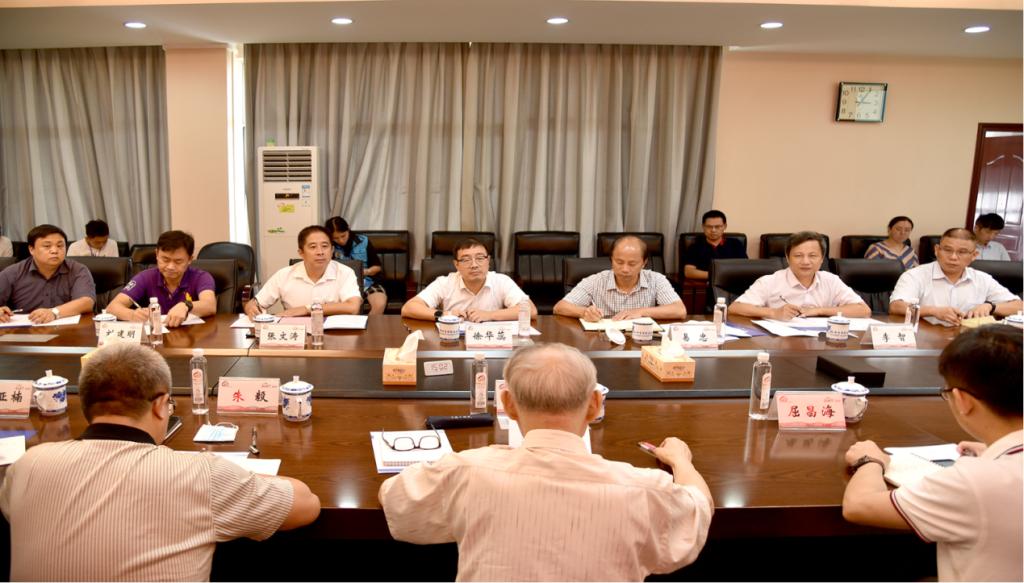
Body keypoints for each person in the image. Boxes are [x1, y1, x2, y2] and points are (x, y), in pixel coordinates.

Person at [379, 343, 713, 581]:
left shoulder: (466, 471)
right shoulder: (643, 489)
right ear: (595, 405)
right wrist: (681, 461)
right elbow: (698, 510)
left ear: (507, 404)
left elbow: (394, 499)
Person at [0, 342, 321, 581]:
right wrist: (237, 478)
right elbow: (307, 505)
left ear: (85, 405)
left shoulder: (27, 465)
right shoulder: (199, 474)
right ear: (160, 405)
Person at [841, 326, 1022, 582]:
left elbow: (859, 506)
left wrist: (869, 461)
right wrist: (995, 452)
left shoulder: (975, 482)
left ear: (963, 401)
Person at [889, 228, 1020, 325]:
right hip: (925, 339)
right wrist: (933, 311)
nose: (953, 257)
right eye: (947, 250)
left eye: (962, 252)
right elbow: (896, 306)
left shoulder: (982, 279)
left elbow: (1019, 306)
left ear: (974, 255)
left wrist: (991, 307)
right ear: (937, 250)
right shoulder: (915, 275)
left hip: (968, 342)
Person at [729, 231, 870, 320]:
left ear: (822, 259)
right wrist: (774, 313)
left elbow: (864, 310)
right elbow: (734, 308)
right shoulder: (770, 281)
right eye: (798, 256)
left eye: (812, 256)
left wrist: (818, 311)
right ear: (787, 258)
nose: (805, 262)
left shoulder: (831, 280)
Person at [402, 238, 537, 323]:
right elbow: (409, 308)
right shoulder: (444, 283)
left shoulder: (502, 281)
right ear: (456, 264)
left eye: (480, 258)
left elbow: (530, 310)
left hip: (491, 343)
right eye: (466, 260)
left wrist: (490, 315)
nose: (474, 265)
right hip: (454, 343)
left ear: (488, 261)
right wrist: (445, 314)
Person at [554, 235, 686, 321]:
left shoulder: (656, 279)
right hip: (603, 340)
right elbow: (559, 307)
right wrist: (585, 312)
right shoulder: (595, 281)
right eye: (619, 262)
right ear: (611, 259)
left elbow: (679, 310)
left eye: (632, 264)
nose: (625, 269)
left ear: (644, 263)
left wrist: (641, 312)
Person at [106, 230, 218, 327]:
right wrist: (133, 315)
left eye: (178, 261)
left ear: (190, 259)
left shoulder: (201, 277)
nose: (170, 267)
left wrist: (186, 306)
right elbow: (112, 307)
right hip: (157, 338)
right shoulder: (145, 277)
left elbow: (210, 305)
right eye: (165, 259)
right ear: (156, 254)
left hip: (191, 338)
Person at [244, 225, 362, 318]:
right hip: (296, 333)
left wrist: (306, 309)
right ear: (301, 253)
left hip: (335, 334)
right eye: (313, 247)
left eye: (325, 246)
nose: (320, 252)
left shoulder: (345, 272)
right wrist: (251, 308)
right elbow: (255, 303)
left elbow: (353, 307)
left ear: (332, 250)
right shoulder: (284, 275)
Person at [0, 224, 95, 324]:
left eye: (60, 246)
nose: (55, 251)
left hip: (68, 329)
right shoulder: (12, 273)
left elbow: (86, 301)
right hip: (24, 329)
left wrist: (54, 312)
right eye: (47, 246)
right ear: (31, 249)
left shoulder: (78, 270)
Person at [325, 216, 387, 315]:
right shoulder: (327, 245)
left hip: (367, 282)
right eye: (335, 238)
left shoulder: (363, 241)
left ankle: (369, 325)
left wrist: (366, 272)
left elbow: (377, 267)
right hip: (340, 284)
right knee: (349, 308)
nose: (341, 240)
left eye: (343, 236)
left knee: (380, 304)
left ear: (348, 229)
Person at [682, 210, 748, 280]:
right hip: (705, 284)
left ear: (725, 226)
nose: (713, 230)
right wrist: (719, 275)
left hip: (731, 283)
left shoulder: (735, 244)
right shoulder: (695, 247)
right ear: (703, 227)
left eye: (717, 226)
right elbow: (689, 272)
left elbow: (745, 268)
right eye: (709, 227)